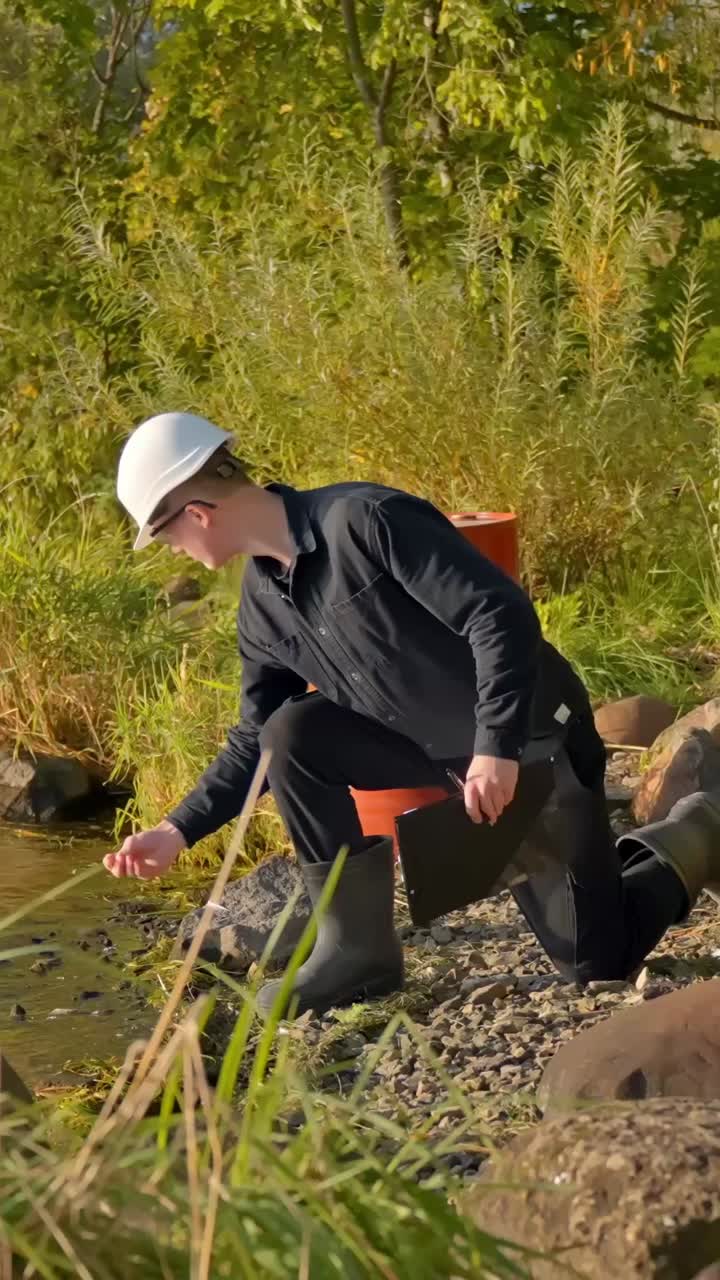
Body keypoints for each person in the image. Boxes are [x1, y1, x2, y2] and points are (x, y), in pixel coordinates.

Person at [105, 411, 720, 1018]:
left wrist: (496, 746)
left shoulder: (366, 520)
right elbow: (253, 743)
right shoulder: (261, 606)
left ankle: (695, 830)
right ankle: (357, 952)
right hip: (445, 756)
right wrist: (175, 831)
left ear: (196, 514)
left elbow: (498, 614)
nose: (171, 551)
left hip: (532, 737)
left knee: (595, 963)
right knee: (288, 733)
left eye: (162, 536)